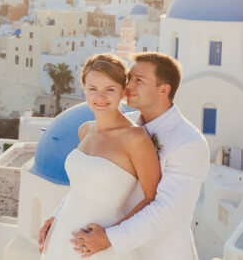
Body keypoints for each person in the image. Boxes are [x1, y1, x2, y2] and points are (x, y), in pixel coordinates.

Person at [68, 52, 210, 259]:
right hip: (106, 248)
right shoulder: (124, 123)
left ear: (163, 90)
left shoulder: (188, 142)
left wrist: (110, 238)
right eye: (130, 78)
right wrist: (58, 218)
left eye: (138, 81)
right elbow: (87, 182)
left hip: (157, 253)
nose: (128, 86)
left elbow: (168, 210)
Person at [38, 53, 161, 260]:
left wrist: (110, 237)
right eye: (92, 89)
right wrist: (55, 216)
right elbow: (81, 188)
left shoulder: (135, 138)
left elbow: (153, 198)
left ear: (123, 92)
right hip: (60, 238)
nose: (100, 98)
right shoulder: (86, 131)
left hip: (100, 247)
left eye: (110, 89)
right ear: (84, 89)